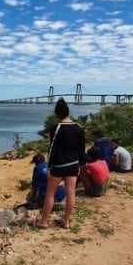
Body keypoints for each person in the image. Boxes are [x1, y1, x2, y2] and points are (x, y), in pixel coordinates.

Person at [37, 98, 86, 230]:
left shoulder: (57, 128)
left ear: (56, 114)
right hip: (74, 164)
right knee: (71, 193)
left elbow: (52, 149)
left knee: (50, 193)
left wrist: (48, 167)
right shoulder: (78, 128)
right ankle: (66, 221)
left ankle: (44, 221)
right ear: (68, 112)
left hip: (59, 165)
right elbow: (82, 149)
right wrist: (80, 165)